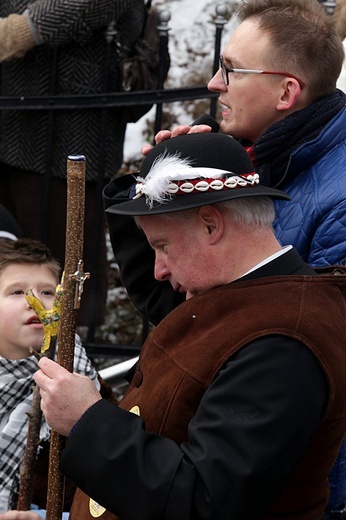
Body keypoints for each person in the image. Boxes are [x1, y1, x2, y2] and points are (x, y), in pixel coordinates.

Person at [105, 1, 346, 516]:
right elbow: (183, 314)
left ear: (287, 92)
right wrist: (164, 202)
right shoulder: (253, 155)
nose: (215, 83)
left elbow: (303, 358)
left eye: (232, 70)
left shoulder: (340, 198)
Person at [30, 132, 346, 519]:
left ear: (211, 225)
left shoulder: (284, 339)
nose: (159, 270)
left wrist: (87, 421)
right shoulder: (238, 300)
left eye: (162, 247)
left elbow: (203, 501)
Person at [0, 0, 146, 326]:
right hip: (12, 109)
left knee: (57, 276)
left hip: (70, 122)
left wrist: (20, 30)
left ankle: (66, 360)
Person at [0, 238, 114, 516]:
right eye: (17, 292)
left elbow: (104, 490)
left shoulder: (83, 385)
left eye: (49, 292)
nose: (35, 301)